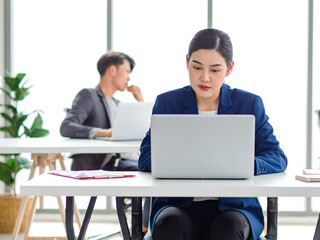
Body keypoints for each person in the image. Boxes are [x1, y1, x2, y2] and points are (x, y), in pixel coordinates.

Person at [138, 28, 288, 240]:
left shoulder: (248, 104)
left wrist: (241, 165)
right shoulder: (167, 103)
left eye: (215, 70)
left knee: (229, 229)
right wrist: (178, 163)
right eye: (197, 67)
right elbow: (145, 158)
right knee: (170, 226)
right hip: (178, 204)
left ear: (229, 68)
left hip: (234, 207)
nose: (205, 78)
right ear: (187, 62)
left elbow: (277, 158)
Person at [60, 51, 149, 232]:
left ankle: (144, 229)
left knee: (153, 170)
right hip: (100, 163)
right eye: (126, 71)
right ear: (112, 70)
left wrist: (140, 100)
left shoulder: (118, 105)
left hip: (122, 161)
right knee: (147, 173)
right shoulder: (89, 96)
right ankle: (141, 230)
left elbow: (144, 130)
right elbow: (67, 126)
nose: (129, 77)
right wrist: (104, 133)